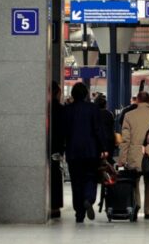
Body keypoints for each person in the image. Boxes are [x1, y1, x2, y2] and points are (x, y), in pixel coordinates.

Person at [64, 82, 108, 223]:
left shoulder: (67, 110)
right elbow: (98, 130)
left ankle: (79, 214)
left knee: (76, 181)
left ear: (72, 95)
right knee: (90, 177)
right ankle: (88, 199)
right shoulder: (93, 109)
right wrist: (103, 148)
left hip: (73, 151)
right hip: (91, 151)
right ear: (86, 95)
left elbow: (63, 132)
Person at [118, 92, 149, 219]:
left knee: (134, 183)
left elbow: (125, 140)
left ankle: (136, 205)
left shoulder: (129, 115)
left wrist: (122, 159)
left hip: (134, 155)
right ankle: (148, 211)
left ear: (138, 101)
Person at [49, 81, 66, 219]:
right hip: (57, 148)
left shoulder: (44, 109)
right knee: (56, 176)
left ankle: (50, 206)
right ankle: (55, 207)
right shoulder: (61, 109)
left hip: (44, 147)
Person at [94, 95, 116, 162]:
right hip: (109, 140)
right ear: (105, 105)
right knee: (109, 160)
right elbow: (112, 126)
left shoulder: (94, 114)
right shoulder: (109, 114)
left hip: (97, 140)